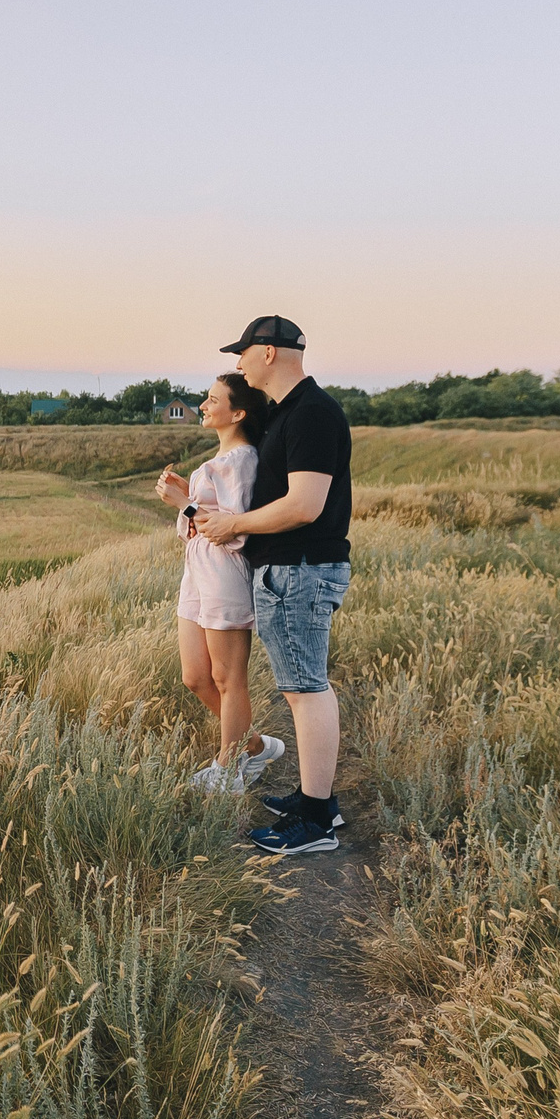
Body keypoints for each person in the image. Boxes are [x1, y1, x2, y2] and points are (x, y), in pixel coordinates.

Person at [192, 315, 354, 857]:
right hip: (290, 569)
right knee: (299, 687)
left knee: (306, 690)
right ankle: (316, 802)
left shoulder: (311, 413)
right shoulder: (291, 413)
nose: (237, 363)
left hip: (300, 567)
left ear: (268, 352)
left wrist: (233, 524)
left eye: (243, 352)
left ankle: (316, 821)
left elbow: (304, 506)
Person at [153, 373, 282, 794]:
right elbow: (199, 521)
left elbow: (235, 529)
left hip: (224, 572)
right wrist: (187, 493)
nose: (204, 405)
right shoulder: (219, 458)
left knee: (229, 678)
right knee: (195, 677)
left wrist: (185, 504)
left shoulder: (243, 460)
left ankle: (228, 771)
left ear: (238, 413)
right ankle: (257, 746)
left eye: (212, 400)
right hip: (197, 571)